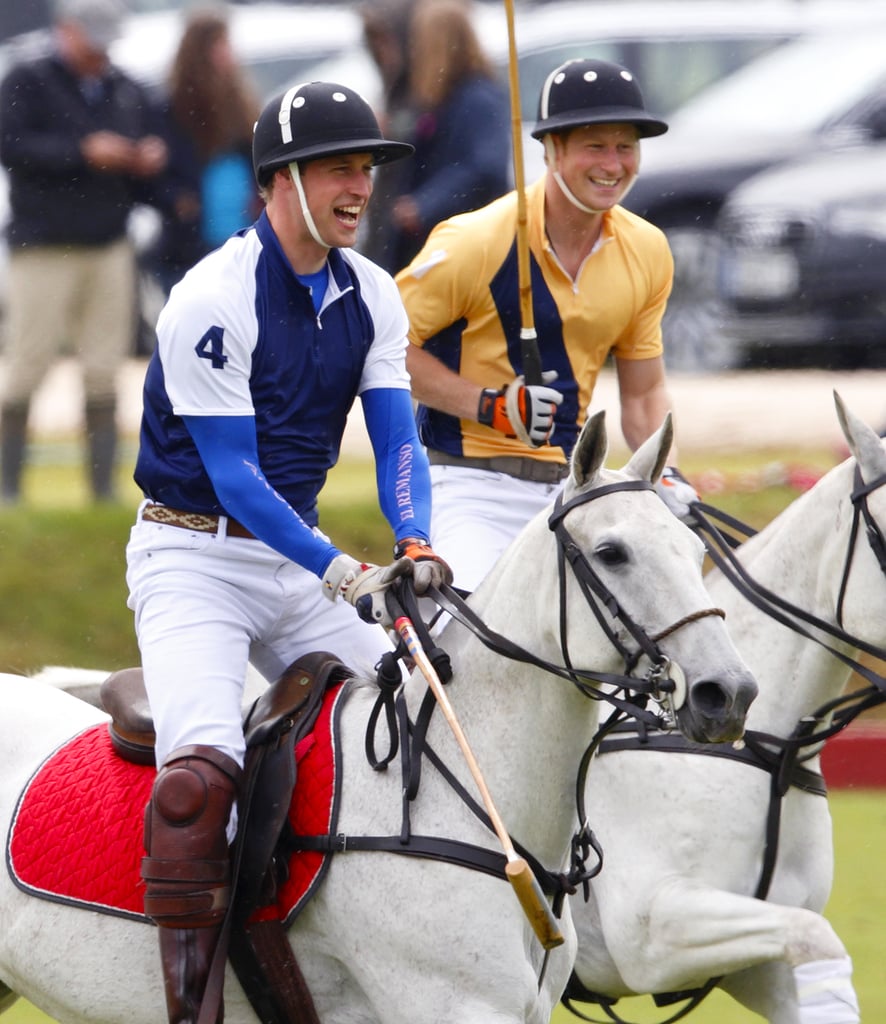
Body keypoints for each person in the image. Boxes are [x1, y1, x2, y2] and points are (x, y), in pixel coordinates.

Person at [126, 81, 451, 1023]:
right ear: (282, 180)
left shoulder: (373, 292)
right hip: (191, 559)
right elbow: (234, 479)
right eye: (340, 168)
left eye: (369, 169)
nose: (362, 187)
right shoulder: (213, 298)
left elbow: (398, 441)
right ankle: (194, 1006)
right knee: (201, 777)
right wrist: (341, 570)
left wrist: (415, 539)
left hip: (291, 562)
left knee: (426, 705)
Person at [395, 57, 699, 593]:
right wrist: (489, 405)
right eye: (595, 146)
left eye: (626, 146)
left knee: (646, 651)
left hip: (571, 492)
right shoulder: (474, 241)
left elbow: (645, 392)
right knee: (469, 644)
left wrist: (665, 472)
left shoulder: (649, 250)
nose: (613, 163)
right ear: (551, 148)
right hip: (466, 487)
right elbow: (387, 348)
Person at [0, 0, 169, 503]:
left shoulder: (124, 87)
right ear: (67, 32)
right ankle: (8, 490)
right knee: (27, 363)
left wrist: (144, 157)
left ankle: (101, 491)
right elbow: (11, 144)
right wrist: (82, 152)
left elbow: (152, 137)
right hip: (42, 245)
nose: (100, 54)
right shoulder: (27, 80)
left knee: (104, 367)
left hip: (107, 243)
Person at [362, 0, 511, 274]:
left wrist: (425, 204)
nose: (416, 53)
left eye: (423, 43)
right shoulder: (442, 97)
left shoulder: (480, 97)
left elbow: (487, 168)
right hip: (436, 241)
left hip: (465, 242)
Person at [149, 8, 261, 298]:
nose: (228, 54)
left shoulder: (241, 103)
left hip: (239, 235)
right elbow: (153, 176)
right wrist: (177, 200)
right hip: (190, 244)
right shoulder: (171, 109)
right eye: (220, 45)